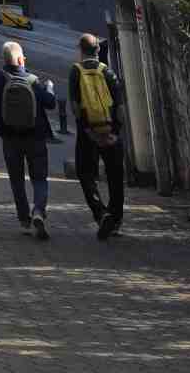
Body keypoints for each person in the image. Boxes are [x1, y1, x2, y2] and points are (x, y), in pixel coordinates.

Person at [0, 39, 59, 238]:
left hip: (10, 138)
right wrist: (50, 88)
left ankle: (24, 219)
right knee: (39, 178)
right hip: (35, 137)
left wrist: (2, 129)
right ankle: (38, 211)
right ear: (19, 59)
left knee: (16, 180)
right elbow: (51, 103)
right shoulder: (32, 80)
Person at [69, 32, 126, 237]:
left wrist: (87, 131)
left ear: (80, 50)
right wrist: (116, 132)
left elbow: (75, 107)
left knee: (85, 174)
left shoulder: (75, 72)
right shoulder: (108, 72)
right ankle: (116, 219)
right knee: (115, 175)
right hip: (110, 130)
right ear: (98, 50)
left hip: (88, 133)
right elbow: (119, 107)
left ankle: (101, 213)